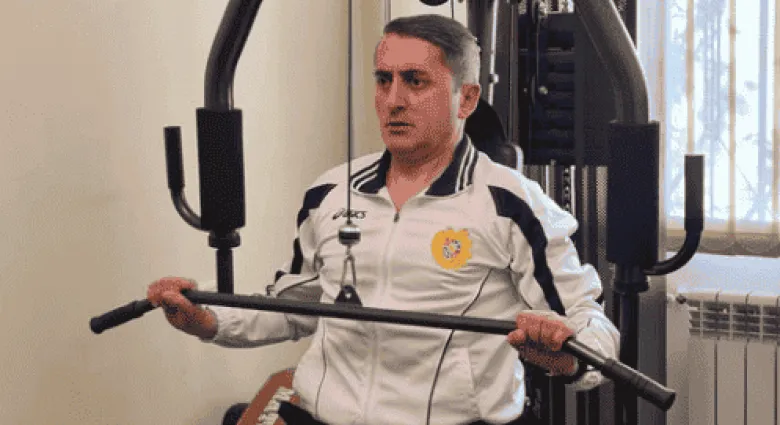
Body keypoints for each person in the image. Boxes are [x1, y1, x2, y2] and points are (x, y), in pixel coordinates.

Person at [147, 14, 619, 425]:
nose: (394, 99)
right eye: (383, 79)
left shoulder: (512, 203)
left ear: (467, 99)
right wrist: (207, 318)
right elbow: (294, 305)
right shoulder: (329, 192)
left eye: (415, 81)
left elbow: (592, 326)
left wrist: (565, 356)